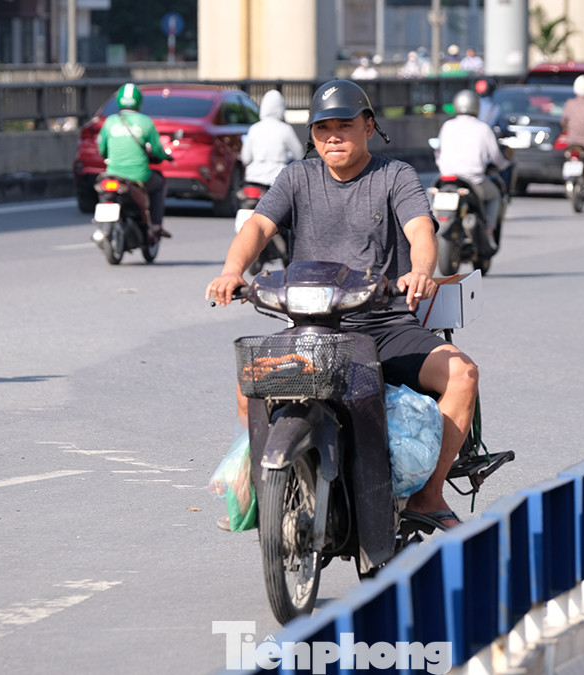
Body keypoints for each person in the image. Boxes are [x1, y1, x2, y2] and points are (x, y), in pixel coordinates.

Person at [207, 79, 479, 531]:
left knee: (463, 375)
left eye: (345, 126)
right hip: (312, 329)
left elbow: (420, 233)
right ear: (311, 135)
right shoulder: (298, 177)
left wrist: (420, 271)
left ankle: (429, 496)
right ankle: (264, 486)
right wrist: (233, 270)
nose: (333, 136)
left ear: (368, 127)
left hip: (385, 326)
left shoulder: (395, 176)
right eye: (322, 128)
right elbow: (257, 226)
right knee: (248, 382)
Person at [436, 88, 510, 251]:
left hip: (446, 179)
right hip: (474, 181)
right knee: (495, 196)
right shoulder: (483, 128)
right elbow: (496, 155)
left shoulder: (447, 126)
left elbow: (438, 151)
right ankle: (489, 232)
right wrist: (504, 165)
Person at [98, 82, 171, 239]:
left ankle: (102, 230)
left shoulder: (110, 121)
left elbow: (102, 150)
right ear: (139, 101)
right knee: (158, 183)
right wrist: (166, 156)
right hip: (139, 177)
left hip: (113, 174)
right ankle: (156, 225)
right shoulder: (146, 122)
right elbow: (158, 150)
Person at [240, 90, 304, 188]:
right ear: (281, 108)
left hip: (253, 179)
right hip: (276, 180)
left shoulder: (254, 129)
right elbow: (299, 154)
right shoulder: (285, 129)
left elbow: (245, 158)